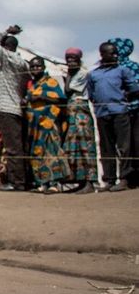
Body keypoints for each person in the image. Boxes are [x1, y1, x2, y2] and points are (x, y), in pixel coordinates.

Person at [89, 40, 139, 191]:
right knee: (106, 147)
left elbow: (134, 89)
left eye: (116, 53)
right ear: (102, 54)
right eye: (112, 53)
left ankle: (124, 179)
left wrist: (121, 97)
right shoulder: (94, 74)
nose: (116, 56)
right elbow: (91, 94)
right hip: (102, 113)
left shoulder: (123, 70)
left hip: (120, 112)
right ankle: (109, 180)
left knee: (124, 146)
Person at [0, 25, 30, 191]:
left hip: (7, 107)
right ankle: (20, 179)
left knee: (13, 148)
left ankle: (17, 182)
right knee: (17, 146)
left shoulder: (8, 58)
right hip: (15, 107)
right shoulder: (23, 63)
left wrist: (6, 31)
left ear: (6, 47)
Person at [23, 56, 70, 194]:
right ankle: (42, 183)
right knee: (37, 152)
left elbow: (62, 100)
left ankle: (55, 184)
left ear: (44, 67)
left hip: (49, 123)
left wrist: (42, 97)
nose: (35, 68)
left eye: (38, 66)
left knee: (51, 150)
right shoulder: (31, 85)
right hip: (35, 125)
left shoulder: (51, 82)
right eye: (32, 66)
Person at [61, 48, 97, 193]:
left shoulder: (82, 73)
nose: (70, 61)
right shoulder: (72, 73)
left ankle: (90, 182)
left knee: (85, 145)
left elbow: (68, 90)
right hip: (72, 112)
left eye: (73, 58)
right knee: (73, 146)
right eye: (68, 58)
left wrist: (69, 75)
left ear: (79, 59)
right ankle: (80, 181)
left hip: (80, 111)